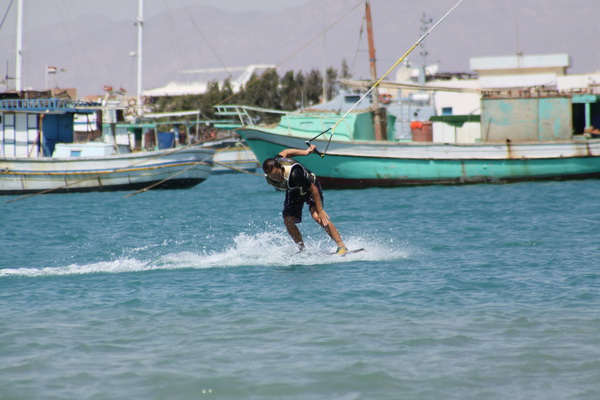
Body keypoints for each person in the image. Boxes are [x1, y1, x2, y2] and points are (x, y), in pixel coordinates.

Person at [262, 145, 348, 255]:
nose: (276, 178)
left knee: (317, 216)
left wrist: (320, 210)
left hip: (310, 187)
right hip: (294, 190)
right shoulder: (275, 163)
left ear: (282, 168)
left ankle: (342, 246)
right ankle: (302, 250)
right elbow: (287, 151)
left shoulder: (294, 174)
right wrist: (306, 152)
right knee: (288, 220)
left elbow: (314, 189)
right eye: (272, 177)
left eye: (277, 174)